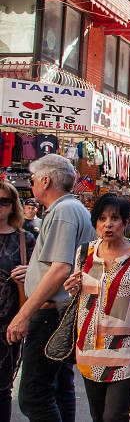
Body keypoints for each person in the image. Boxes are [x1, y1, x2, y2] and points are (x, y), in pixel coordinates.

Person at [7, 154, 96, 421]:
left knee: (35, 396)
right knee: (59, 390)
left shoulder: (63, 211)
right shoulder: (70, 209)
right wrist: (33, 270)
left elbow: (60, 268)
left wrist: (23, 315)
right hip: (57, 312)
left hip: (49, 315)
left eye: (34, 179)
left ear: (45, 181)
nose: (32, 184)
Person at [62, 194, 130, 422]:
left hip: (128, 348)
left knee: (115, 416)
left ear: (126, 222)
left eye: (115, 218)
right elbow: (86, 296)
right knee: (98, 416)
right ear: (95, 223)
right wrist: (72, 287)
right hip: (90, 348)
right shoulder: (86, 253)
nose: (108, 224)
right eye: (102, 218)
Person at [0, 181, 35, 422]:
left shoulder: (26, 239)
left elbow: (42, 280)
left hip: (8, 324)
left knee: (2, 389)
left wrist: (28, 272)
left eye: (4, 202)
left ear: (13, 207)